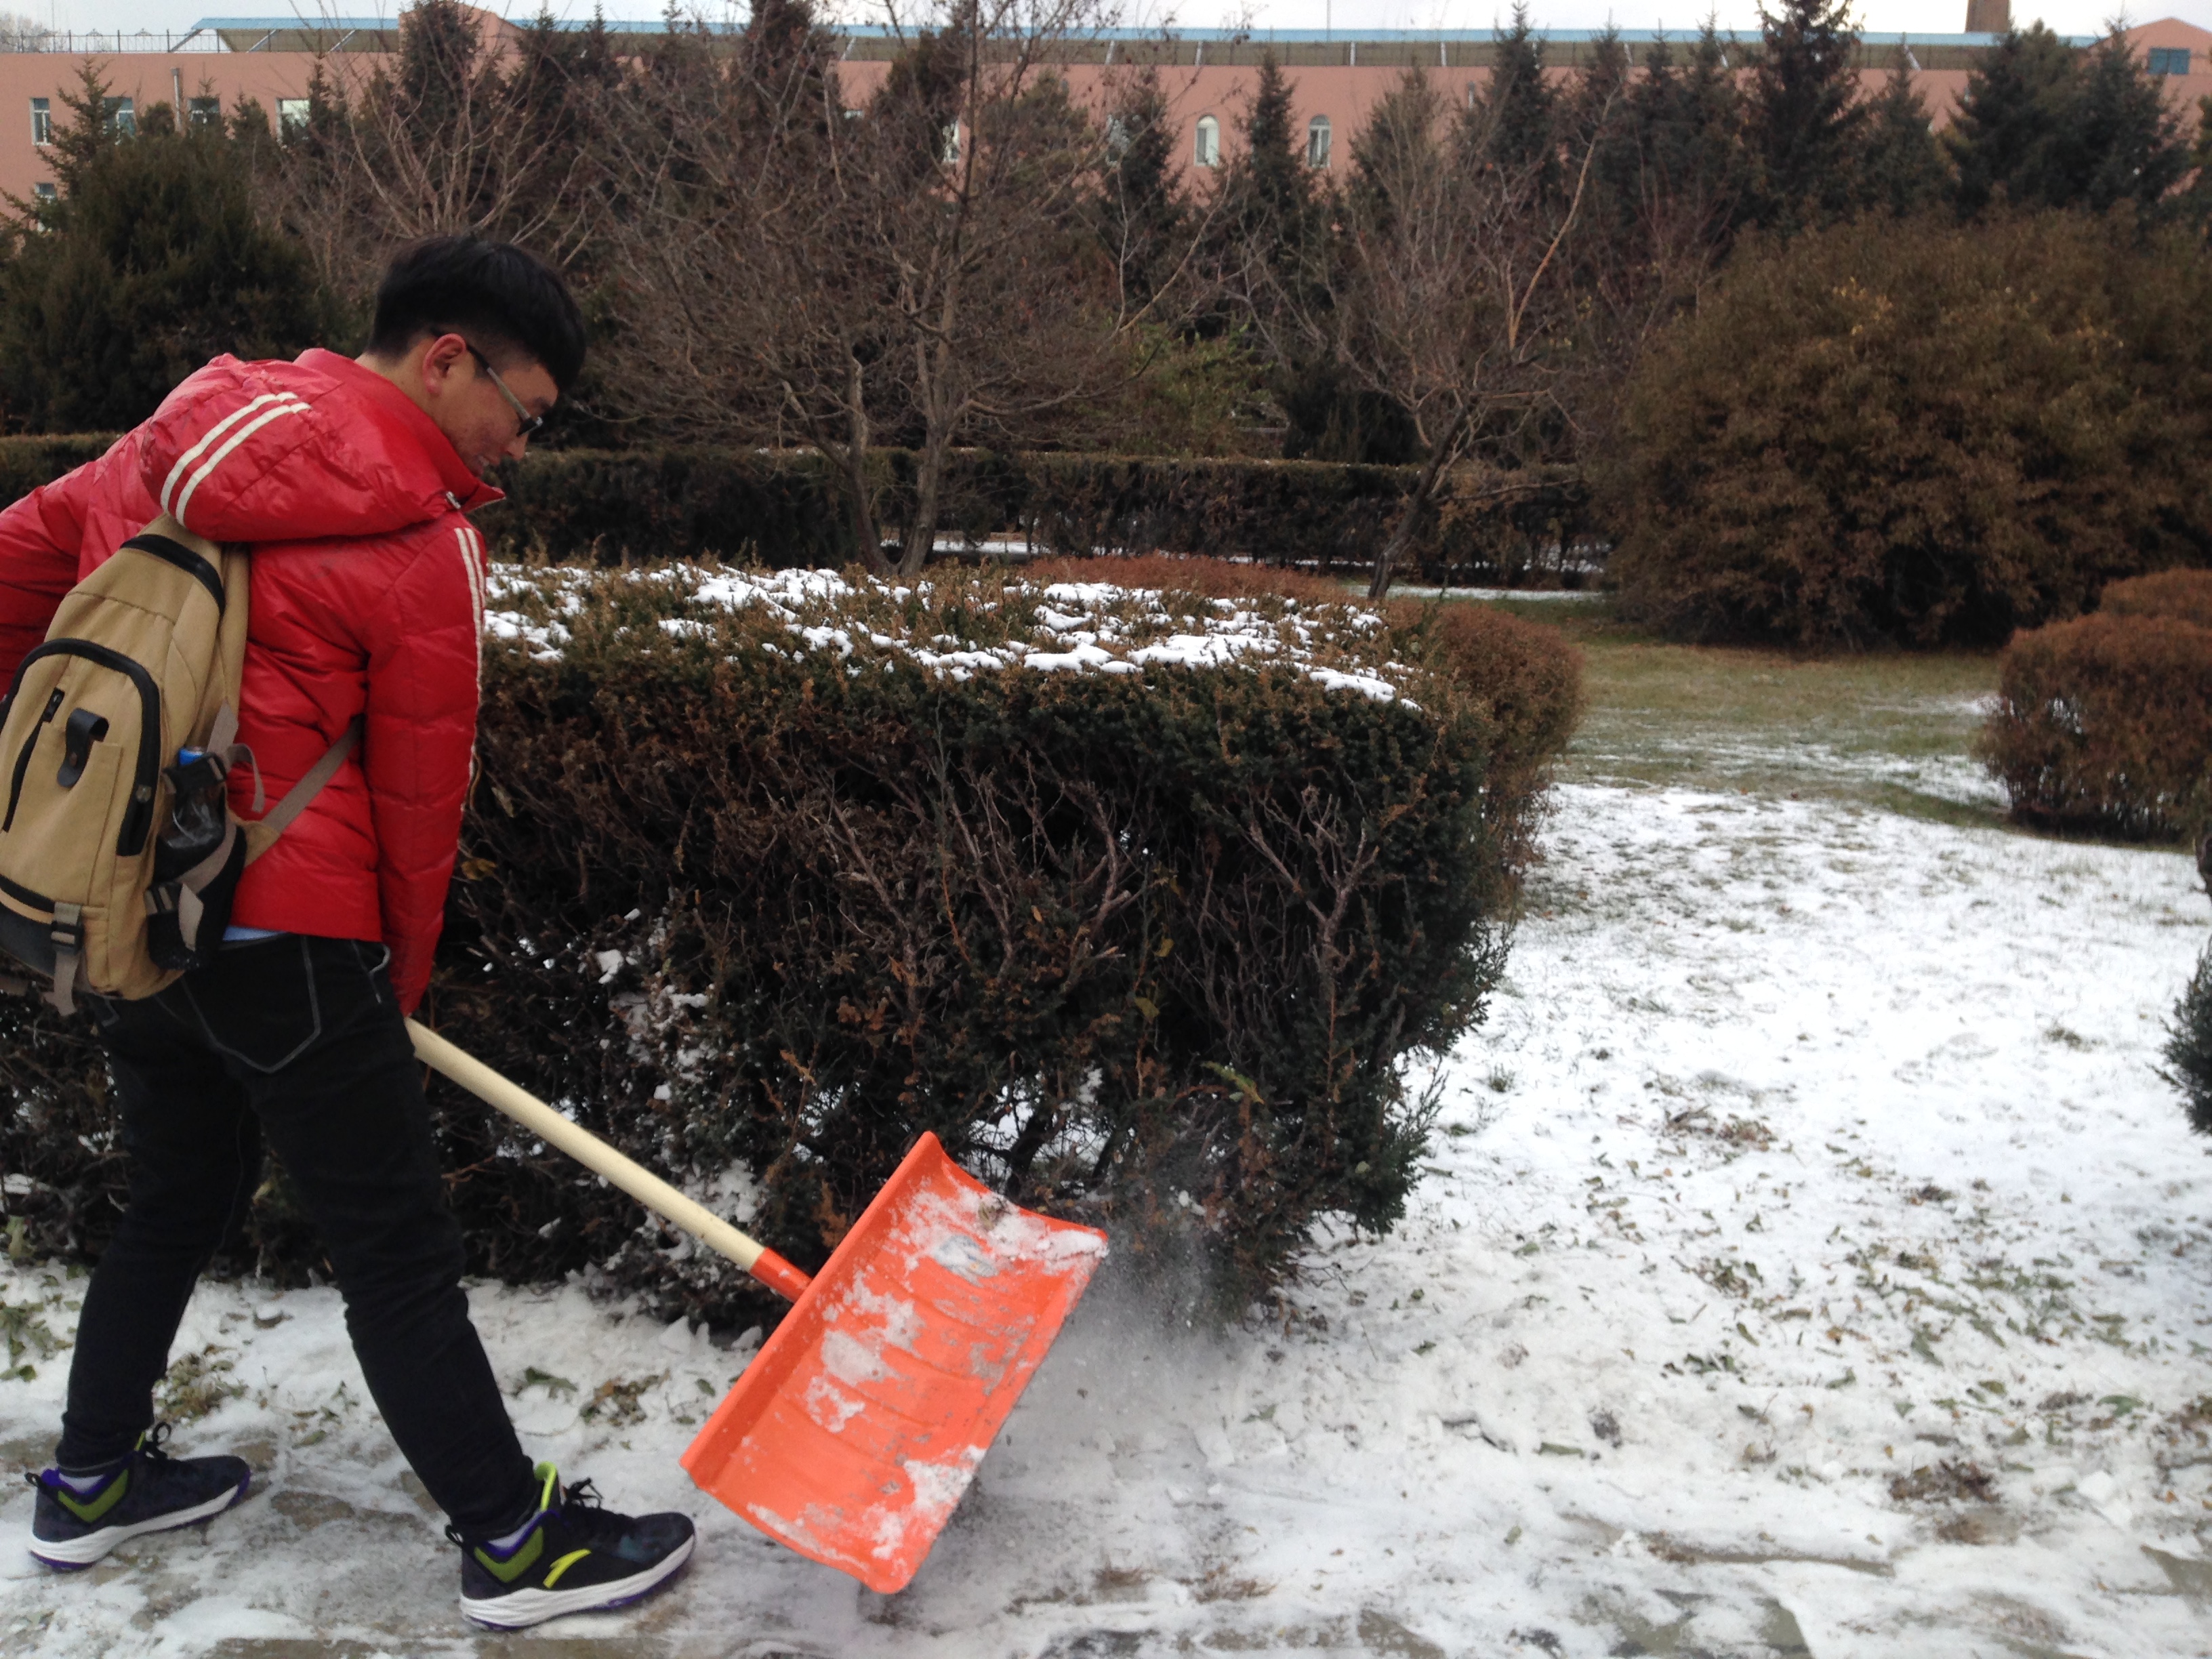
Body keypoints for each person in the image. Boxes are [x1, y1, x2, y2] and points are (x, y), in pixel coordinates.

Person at [0, 237, 695, 1630]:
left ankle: (90, 1480)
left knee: (176, 1194)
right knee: (395, 1248)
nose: (519, 450)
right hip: (297, 939)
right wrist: (392, 986)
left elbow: (16, 569)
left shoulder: (180, 430)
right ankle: (514, 1544)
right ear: (447, 358)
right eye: (525, 412)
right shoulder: (419, 540)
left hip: (141, 909)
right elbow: (419, 806)